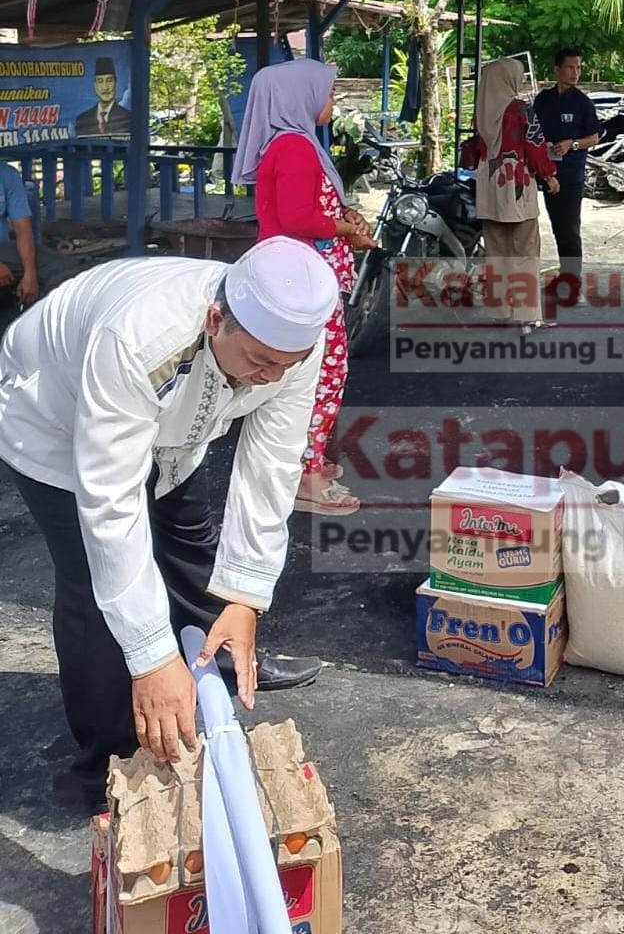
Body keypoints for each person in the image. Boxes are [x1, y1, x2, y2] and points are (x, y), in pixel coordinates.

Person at [0, 237, 335, 813]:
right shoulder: (140, 338)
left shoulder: (292, 344)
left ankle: (218, 669)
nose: (269, 377)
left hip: (176, 424)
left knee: (188, 541)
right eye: (259, 361)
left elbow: (272, 463)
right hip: (54, 416)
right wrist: (150, 656)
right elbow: (112, 505)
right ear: (215, 320)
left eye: (286, 365)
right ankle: (111, 768)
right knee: (94, 586)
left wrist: (246, 599)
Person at [232, 58, 376, 516]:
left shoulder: (293, 143)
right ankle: (307, 477)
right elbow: (298, 219)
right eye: (327, 92)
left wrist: (343, 217)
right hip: (302, 280)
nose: (332, 101)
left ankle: (303, 462)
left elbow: (308, 207)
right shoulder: (295, 147)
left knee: (309, 374)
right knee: (322, 376)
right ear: (300, 97)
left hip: (299, 274)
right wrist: (346, 229)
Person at [462, 57, 560, 334]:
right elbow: (535, 146)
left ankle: (500, 311)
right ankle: (527, 317)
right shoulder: (521, 110)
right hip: (516, 185)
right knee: (525, 250)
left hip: (489, 187)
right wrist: (549, 176)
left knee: (496, 252)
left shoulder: (481, 112)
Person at [533, 48, 601, 299]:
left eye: (579, 67)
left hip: (571, 175)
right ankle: (564, 278)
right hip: (546, 172)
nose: (575, 72)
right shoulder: (544, 100)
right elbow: (533, 132)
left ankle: (574, 285)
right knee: (557, 228)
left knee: (570, 230)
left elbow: (594, 137)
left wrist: (573, 144)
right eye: (570, 67)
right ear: (557, 69)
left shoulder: (582, 103)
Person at [0, 163, 83, 308]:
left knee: (62, 266)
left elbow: (23, 228)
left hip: (3, 251)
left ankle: (50, 311)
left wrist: (30, 274)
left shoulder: (7, 175)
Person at [74, 56, 132, 137]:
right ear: (95, 85)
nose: (105, 87)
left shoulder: (128, 118)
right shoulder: (82, 120)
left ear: (116, 83)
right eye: (100, 81)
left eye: (109, 80)